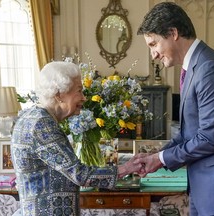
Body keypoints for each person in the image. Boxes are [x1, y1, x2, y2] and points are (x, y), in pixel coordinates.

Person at [135, 2, 214, 216]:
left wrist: (161, 159)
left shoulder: (209, 68)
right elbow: (189, 133)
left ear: (173, 33)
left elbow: (209, 138)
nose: (153, 55)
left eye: (153, 44)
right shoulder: (194, 66)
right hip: (205, 183)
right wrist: (157, 154)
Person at [11, 61, 141, 216]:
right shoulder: (42, 124)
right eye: (79, 91)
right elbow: (79, 174)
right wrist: (126, 168)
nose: (84, 98)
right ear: (59, 94)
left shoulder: (30, 116)